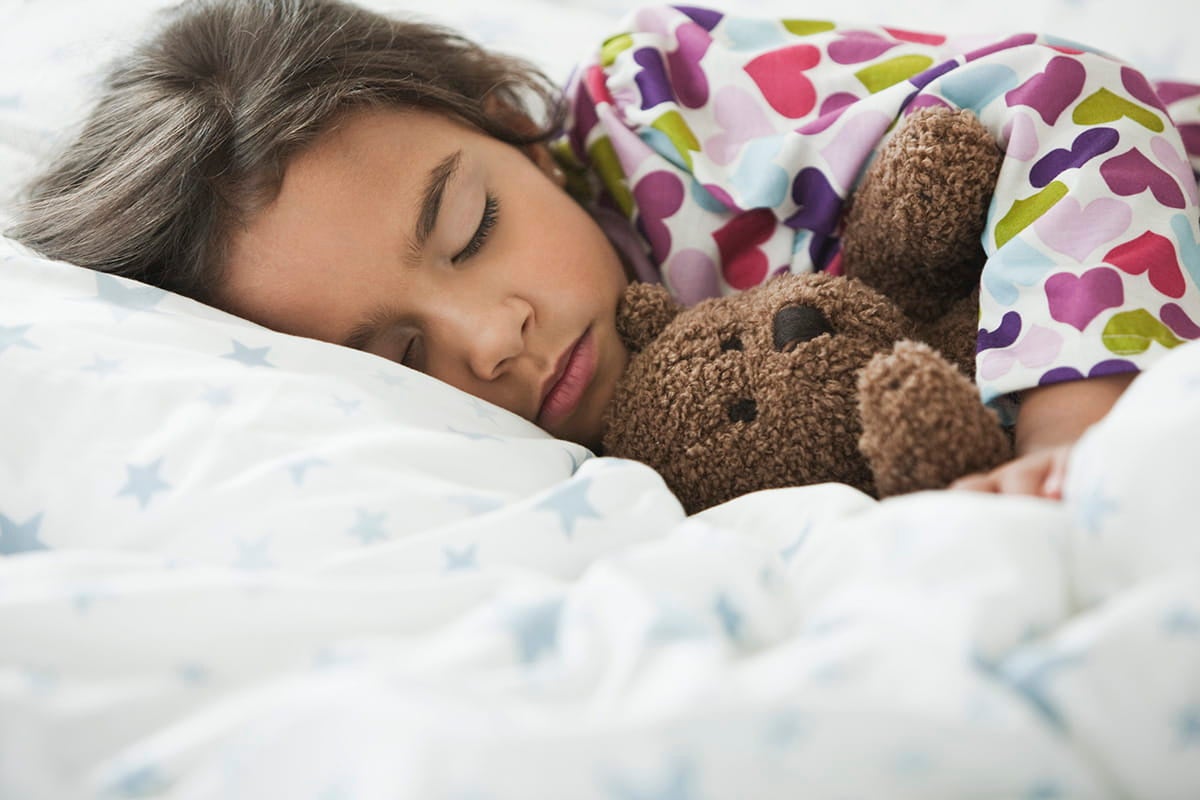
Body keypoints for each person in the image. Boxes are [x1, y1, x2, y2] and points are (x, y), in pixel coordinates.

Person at [10, 0, 1200, 499]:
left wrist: (1072, 435)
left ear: (512, 130)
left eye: (472, 226)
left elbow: (1070, 99)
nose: (495, 338)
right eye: (397, 353)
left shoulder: (662, 107)